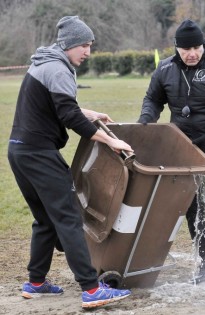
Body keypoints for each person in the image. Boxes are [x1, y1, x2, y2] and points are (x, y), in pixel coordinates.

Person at [8, 16, 133, 309]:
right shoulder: (58, 68)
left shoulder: (43, 63)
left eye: (90, 45)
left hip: (19, 152)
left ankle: (36, 283)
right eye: (84, 45)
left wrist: (91, 113)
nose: (87, 51)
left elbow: (59, 106)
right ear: (68, 44)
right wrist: (112, 141)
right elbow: (68, 116)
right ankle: (91, 290)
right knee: (68, 218)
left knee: (46, 220)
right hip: (38, 154)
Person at [138, 19, 205, 284]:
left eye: (196, 47)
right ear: (176, 48)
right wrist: (145, 121)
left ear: (203, 45)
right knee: (195, 205)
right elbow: (153, 99)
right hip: (185, 147)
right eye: (186, 49)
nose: (192, 54)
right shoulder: (165, 69)